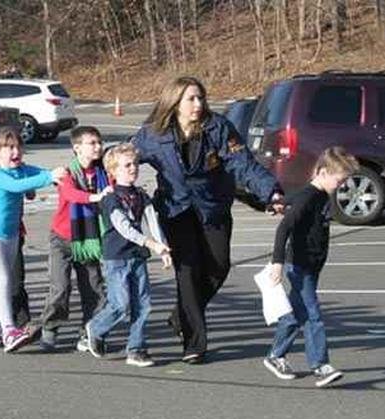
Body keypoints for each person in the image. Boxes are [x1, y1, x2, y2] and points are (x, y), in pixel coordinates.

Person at [133, 76, 284, 364]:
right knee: (187, 274)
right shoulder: (154, 134)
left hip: (212, 207)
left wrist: (272, 192)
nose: (198, 104)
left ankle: (181, 316)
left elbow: (244, 165)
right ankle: (194, 343)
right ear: (174, 103)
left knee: (218, 266)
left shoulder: (218, 128)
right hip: (175, 210)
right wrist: (97, 174)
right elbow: (123, 158)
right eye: (191, 99)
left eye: (201, 98)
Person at [263, 147, 358, 387]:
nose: (342, 185)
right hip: (299, 266)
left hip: (312, 265)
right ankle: (320, 365)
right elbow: (284, 228)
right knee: (313, 316)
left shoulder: (317, 194)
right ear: (324, 172)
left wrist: (280, 202)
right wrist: (277, 263)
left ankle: (275, 355)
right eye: (340, 180)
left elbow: (292, 199)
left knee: (296, 315)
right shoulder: (310, 196)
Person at [0, 127, 65, 352]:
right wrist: (48, 177)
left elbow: (37, 173)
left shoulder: (21, 169)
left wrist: (57, 173)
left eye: (18, 147)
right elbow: (16, 186)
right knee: (2, 277)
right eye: (9, 148)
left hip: (11, 233)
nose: (15, 152)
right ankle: (9, 330)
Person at [85, 143, 173, 368]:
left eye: (134, 163)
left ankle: (136, 349)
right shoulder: (110, 198)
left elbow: (152, 220)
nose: (133, 168)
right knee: (120, 304)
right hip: (116, 256)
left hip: (138, 256)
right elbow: (122, 226)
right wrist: (150, 243)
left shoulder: (141, 194)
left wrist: (162, 247)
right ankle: (95, 328)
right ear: (113, 170)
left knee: (142, 304)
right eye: (126, 165)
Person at [34, 126, 111, 352]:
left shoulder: (104, 173)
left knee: (94, 288)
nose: (98, 147)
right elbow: (70, 194)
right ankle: (50, 328)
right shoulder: (66, 173)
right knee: (60, 288)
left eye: (99, 142)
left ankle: (90, 331)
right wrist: (95, 196)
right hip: (63, 238)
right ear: (77, 148)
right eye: (92, 143)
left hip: (89, 239)